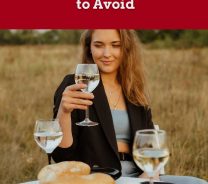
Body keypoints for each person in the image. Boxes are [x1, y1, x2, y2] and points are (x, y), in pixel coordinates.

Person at [51, 29, 207, 184]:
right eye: (98, 45)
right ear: (89, 49)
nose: (107, 53)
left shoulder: (133, 89)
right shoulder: (75, 85)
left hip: (139, 175)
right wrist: (63, 113)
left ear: (126, 48)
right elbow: (61, 156)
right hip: (98, 178)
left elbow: (152, 143)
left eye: (115, 45)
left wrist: (148, 175)